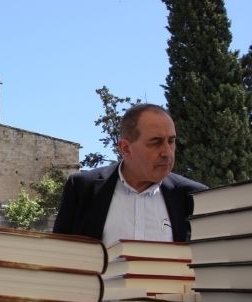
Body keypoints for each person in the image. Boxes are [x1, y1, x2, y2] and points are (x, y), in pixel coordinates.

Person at [53, 103, 206, 245]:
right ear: (125, 148)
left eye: (171, 141)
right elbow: (61, 256)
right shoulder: (83, 189)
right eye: (155, 142)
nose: (167, 152)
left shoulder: (193, 197)